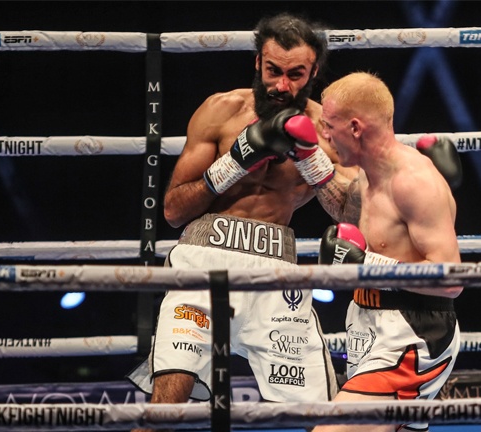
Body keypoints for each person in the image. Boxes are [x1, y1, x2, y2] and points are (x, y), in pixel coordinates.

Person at [127, 12, 342, 409]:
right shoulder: (220, 111)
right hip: (203, 261)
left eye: (295, 75)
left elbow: (350, 214)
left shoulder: (327, 131)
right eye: (273, 70)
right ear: (257, 62)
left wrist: (312, 159)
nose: (281, 85)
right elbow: (173, 211)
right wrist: (233, 165)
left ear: (313, 73)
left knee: (326, 414)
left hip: (277, 274)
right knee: (165, 409)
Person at [312, 72, 463, 432]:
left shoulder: (412, 181)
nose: (326, 137)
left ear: (355, 127)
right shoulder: (366, 173)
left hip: (413, 334)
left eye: (330, 127)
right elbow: (350, 216)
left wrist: (366, 264)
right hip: (369, 323)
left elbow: (452, 278)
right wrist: (304, 156)